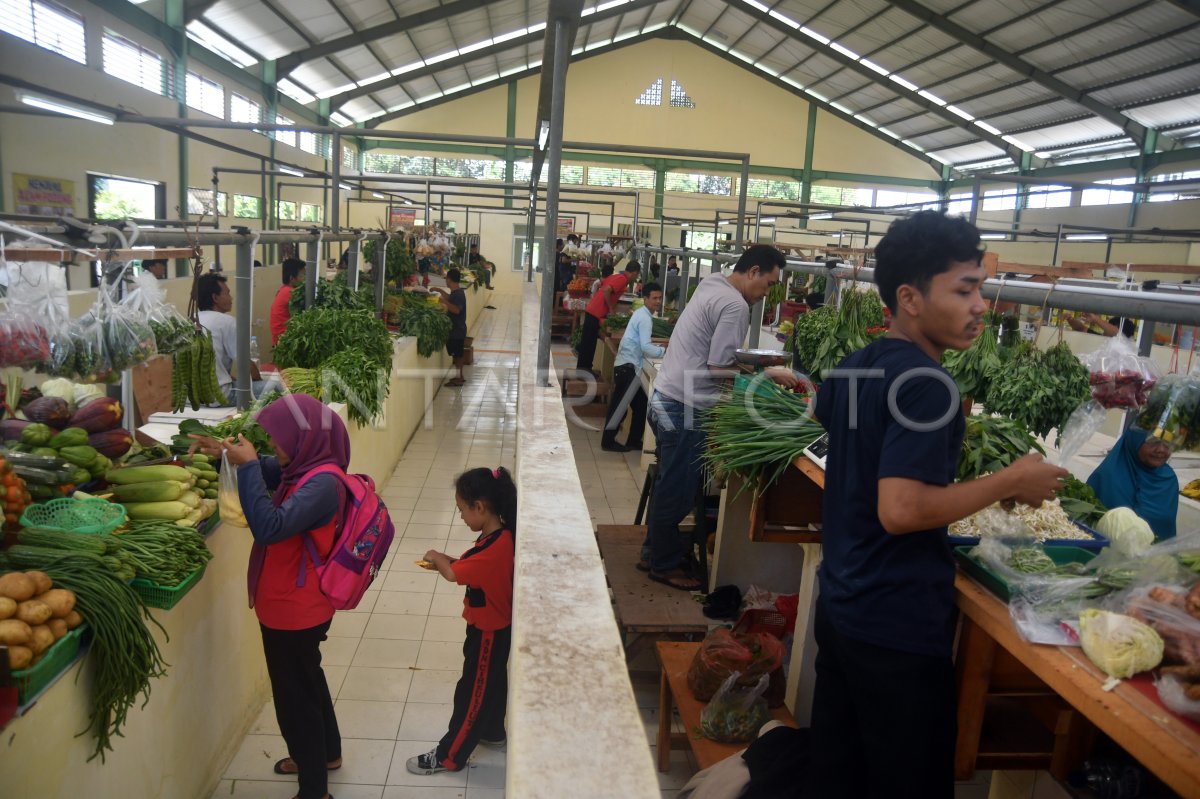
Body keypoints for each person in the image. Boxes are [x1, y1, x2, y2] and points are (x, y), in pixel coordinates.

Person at [806, 211, 1067, 798]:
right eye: (965, 289)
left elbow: (817, 416)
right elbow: (901, 510)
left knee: (839, 776)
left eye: (982, 289)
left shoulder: (858, 362)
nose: (980, 305)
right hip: (894, 623)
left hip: (843, 601)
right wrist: (1009, 480)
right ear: (910, 298)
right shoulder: (928, 385)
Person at [190, 394, 349, 799]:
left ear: (303, 439)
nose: (274, 446)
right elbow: (268, 467)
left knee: (295, 698)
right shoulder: (305, 466)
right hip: (294, 601)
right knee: (307, 677)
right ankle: (325, 755)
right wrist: (224, 453)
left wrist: (244, 469)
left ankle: (314, 789)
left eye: (279, 439)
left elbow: (269, 527)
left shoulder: (322, 484)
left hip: (295, 608)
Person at [643, 245, 798, 590]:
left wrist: (751, 365)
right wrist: (767, 375)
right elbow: (717, 369)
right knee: (678, 491)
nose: (768, 293)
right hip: (686, 406)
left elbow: (715, 354)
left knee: (670, 482)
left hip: (665, 397)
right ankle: (663, 565)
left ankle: (652, 553)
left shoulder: (713, 282)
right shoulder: (735, 305)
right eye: (770, 284)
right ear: (754, 272)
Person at [407, 467, 516, 776]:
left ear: (480, 507)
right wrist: (444, 563)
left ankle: (449, 756)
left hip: (489, 633)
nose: (461, 517)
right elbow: (470, 567)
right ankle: (492, 732)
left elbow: (456, 572)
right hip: (490, 627)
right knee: (491, 685)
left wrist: (437, 555)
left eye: (462, 511)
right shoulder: (497, 536)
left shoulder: (497, 548)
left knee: (471, 693)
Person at [601, 282, 664, 453]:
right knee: (620, 406)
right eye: (654, 298)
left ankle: (633, 441)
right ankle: (607, 442)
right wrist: (665, 352)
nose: (658, 301)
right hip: (627, 367)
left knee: (641, 405)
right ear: (645, 299)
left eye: (660, 298)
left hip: (629, 365)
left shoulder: (642, 314)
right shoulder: (644, 317)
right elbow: (645, 346)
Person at [1087, 427, 1178, 539]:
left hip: (1158, 555)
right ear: (1135, 441)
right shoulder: (1107, 477)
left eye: (1167, 444)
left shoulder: (1169, 480)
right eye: (1153, 442)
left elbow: (1167, 532)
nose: (1161, 450)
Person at [197, 273, 265, 403]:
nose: (231, 298)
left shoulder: (191, 320)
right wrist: (260, 382)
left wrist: (230, 378)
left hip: (193, 398)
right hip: (219, 396)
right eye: (227, 293)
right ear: (215, 297)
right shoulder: (227, 322)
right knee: (275, 388)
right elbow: (245, 363)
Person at [576, 261, 641, 376]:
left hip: (593, 310)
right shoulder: (622, 279)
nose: (636, 278)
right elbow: (606, 290)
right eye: (637, 275)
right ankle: (584, 371)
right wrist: (610, 308)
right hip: (596, 312)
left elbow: (602, 285)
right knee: (589, 344)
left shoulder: (616, 276)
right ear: (634, 273)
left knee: (588, 343)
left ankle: (583, 369)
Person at [435, 268, 468, 387]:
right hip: (456, 329)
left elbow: (456, 309)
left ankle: (459, 377)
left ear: (449, 279)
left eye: (446, 279)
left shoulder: (459, 294)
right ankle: (459, 376)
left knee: (458, 355)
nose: (446, 281)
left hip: (457, 330)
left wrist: (442, 302)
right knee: (457, 354)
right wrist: (439, 291)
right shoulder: (456, 292)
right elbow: (450, 298)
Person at [270, 258, 305, 346]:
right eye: (303, 275)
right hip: (284, 341)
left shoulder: (284, 289)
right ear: (292, 278)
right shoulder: (291, 293)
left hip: (282, 339)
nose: (305, 279)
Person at [1067, 311, 1136, 338]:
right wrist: (1070, 319)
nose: (1105, 331)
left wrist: (1096, 319)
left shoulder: (1123, 347)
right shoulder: (1099, 337)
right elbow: (1081, 329)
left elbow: (1118, 334)